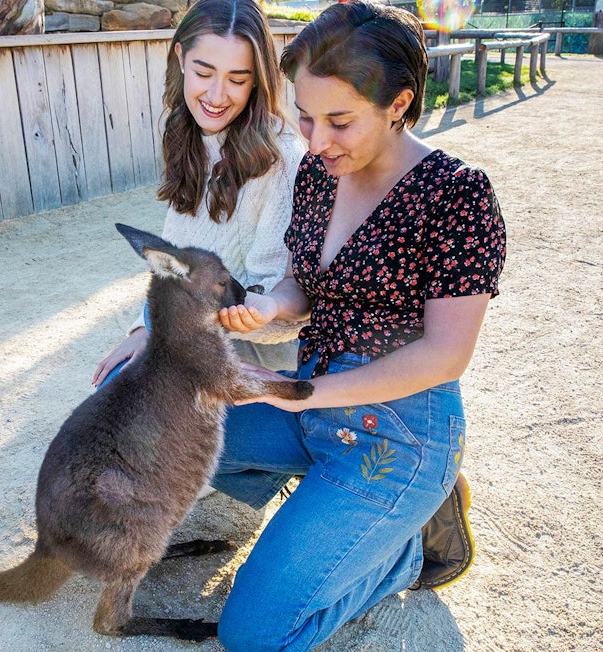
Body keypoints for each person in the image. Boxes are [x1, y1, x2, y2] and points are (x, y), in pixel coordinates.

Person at [211, 2, 507, 649]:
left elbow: (444, 355)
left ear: (398, 103)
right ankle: (336, 516)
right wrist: (270, 305)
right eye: (307, 116)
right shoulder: (319, 173)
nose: (315, 141)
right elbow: (304, 285)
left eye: (338, 121)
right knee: (161, 433)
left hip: (398, 436)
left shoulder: (457, 194)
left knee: (251, 636)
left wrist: (291, 392)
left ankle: (404, 551)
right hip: (310, 403)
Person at [92, 0, 306, 387]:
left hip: (256, 346)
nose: (217, 95)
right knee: (116, 389)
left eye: (238, 80)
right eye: (204, 72)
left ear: (257, 79)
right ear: (180, 58)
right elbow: (178, 259)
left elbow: (273, 296)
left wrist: (169, 334)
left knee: (132, 397)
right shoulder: (186, 132)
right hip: (195, 324)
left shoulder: (282, 158)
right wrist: (146, 328)